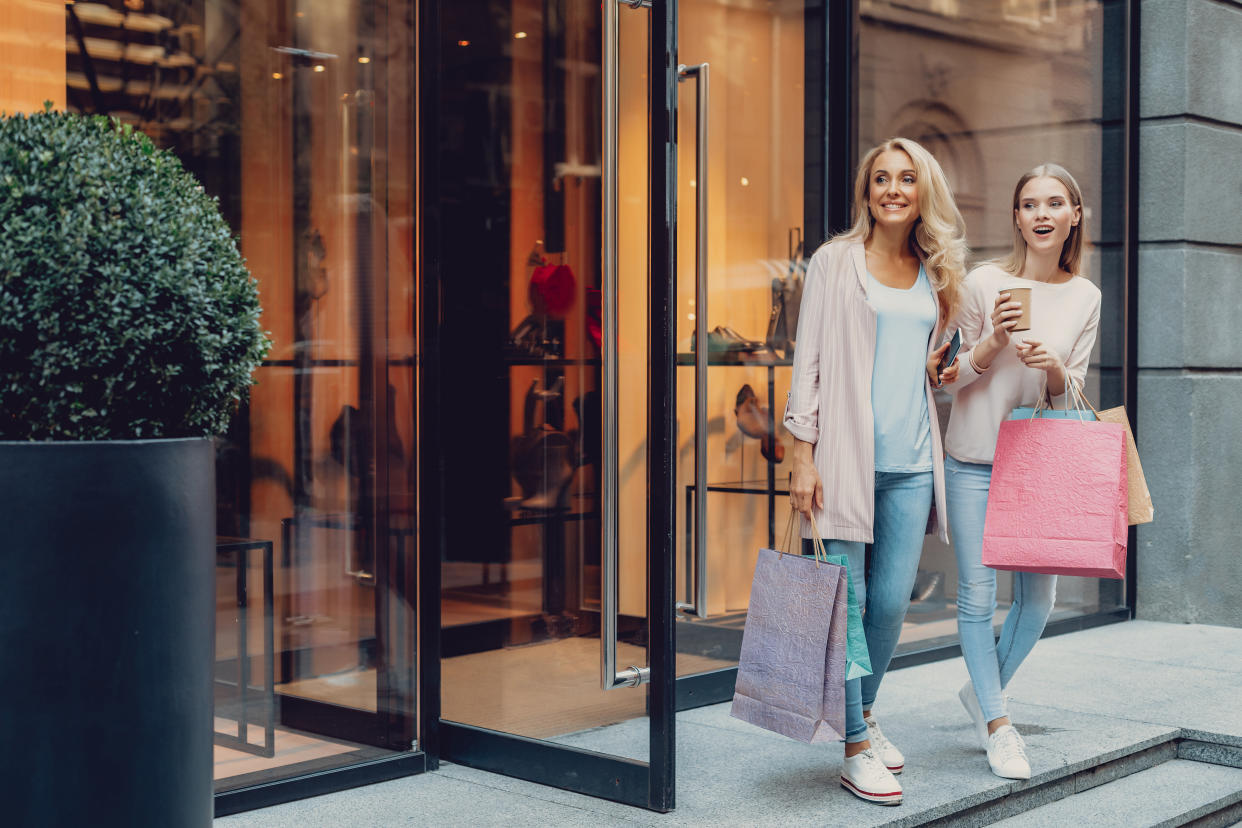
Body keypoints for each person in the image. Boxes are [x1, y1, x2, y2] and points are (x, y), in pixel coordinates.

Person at [785, 137, 967, 806]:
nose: (893, 189)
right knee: (847, 609)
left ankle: (861, 714)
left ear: (924, 193)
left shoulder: (935, 271)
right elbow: (808, 359)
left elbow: (939, 355)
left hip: (913, 461)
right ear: (867, 192)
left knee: (891, 604)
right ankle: (854, 747)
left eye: (906, 179)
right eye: (881, 179)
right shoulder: (835, 262)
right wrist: (801, 452)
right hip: (844, 461)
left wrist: (943, 365)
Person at [931, 163, 1101, 780]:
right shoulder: (983, 283)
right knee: (977, 597)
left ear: (1074, 215)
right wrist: (994, 342)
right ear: (1017, 217)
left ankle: (984, 693)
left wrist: (1053, 367)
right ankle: (1001, 727)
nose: (1042, 215)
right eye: (1030, 204)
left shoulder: (1085, 296)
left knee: (1039, 600)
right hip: (973, 460)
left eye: (1055, 203)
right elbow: (946, 375)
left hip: (1037, 466)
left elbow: (1068, 392)